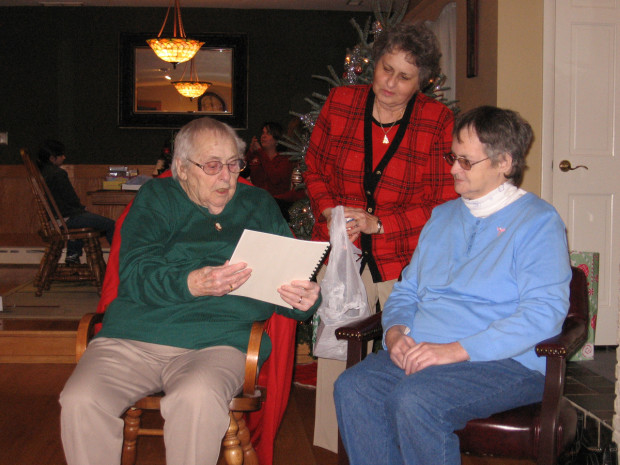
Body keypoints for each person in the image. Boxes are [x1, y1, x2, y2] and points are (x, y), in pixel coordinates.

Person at [59, 117, 321, 465]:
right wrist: (191, 283)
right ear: (181, 168)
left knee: (196, 399)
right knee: (81, 399)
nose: (226, 177)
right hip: (134, 338)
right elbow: (134, 273)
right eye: (212, 166)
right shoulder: (156, 197)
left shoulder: (258, 205)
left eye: (233, 164)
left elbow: (288, 281)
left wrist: (302, 301)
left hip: (219, 341)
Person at [333, 105, 572, 465]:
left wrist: (455, 350)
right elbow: (408, 289)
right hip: (425, 350)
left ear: (504, 162)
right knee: (353, 387)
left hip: (506, 362)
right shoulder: (442, 216)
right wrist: (396, 332)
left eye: (465, 161)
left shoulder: (538, 221)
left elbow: (544, 314)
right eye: (452, 157)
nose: (452, 169)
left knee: (415, 399)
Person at [303, 22, 457, 451]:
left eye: (404, 77)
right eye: (385, 69)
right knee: (338, 350)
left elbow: (443, 199)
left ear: (422, 81)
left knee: (405, 354)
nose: (389, 83)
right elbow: (313, 168)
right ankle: (337, 448)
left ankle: (402, 443)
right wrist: (331, 210)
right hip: (342, 255)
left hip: (401, 257)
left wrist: (381, 223)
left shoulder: (436, 120)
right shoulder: (341, 102)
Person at [36, 139, 115, 264]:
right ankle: (119, 261)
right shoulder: (58, 174)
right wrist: (82, 209)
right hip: (64, 218)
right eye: (61, 155)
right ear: (52, 158)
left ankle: (73, 255)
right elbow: (71, 200)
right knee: (112, 225)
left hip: (54, 219)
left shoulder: (42, 173)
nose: (64, 157)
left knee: (81, 217)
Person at [246, 122, 305, 220]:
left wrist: (260, 152)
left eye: (268, 133)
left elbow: (275, 178)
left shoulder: (285, 159)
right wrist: (250, 152)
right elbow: (241, 170)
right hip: (256, 204)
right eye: (263, 133)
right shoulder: (257, 157)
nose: (263, 136)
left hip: (277, 205)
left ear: (277, 140)